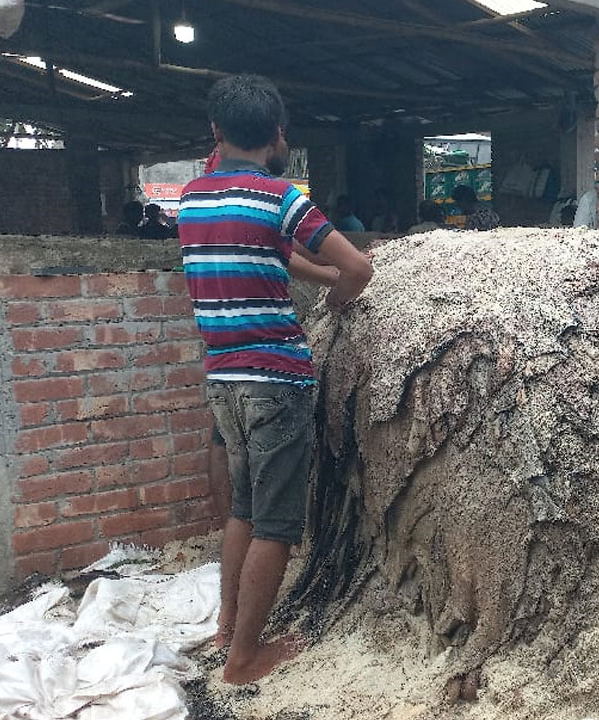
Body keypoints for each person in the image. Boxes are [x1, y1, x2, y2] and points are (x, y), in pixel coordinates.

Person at [177, 74, 372, 685]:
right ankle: (244, 661)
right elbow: (358, 267)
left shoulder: (193, 198)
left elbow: (270, 255)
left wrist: (313, 276)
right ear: (278, 135)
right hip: (276, 379)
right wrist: (338, 300)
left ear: (216, 132)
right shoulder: (281, 197)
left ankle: (228, 625)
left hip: (223, 380)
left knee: (243, 507)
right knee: (279, 525)